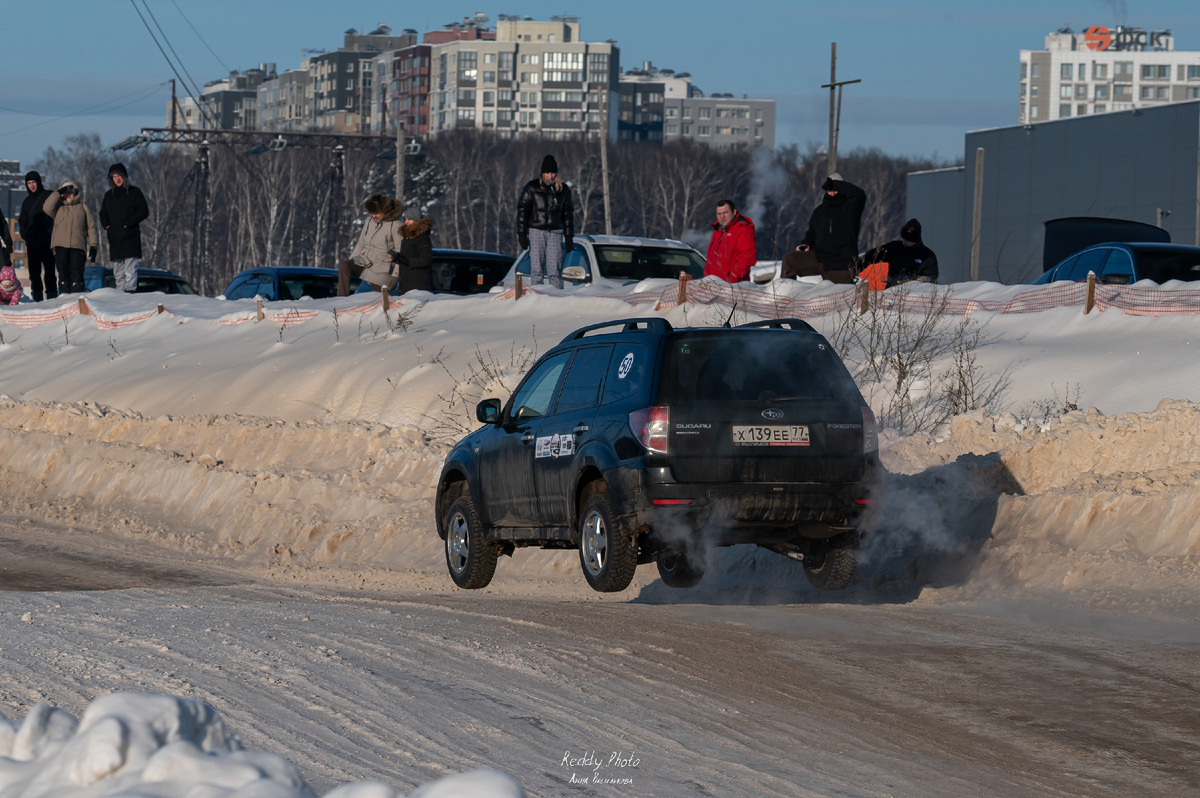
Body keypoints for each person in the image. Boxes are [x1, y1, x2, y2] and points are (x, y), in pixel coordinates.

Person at [781, 172, 867, 284]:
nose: (832, 193)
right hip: (818, 257)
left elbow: (860, 195)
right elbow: (812, 233)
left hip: (840, 262)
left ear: (841, 188)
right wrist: (806, 243)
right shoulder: (819, 211)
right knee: (790, 260)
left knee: (839, 297)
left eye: (835, 189)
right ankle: (786, 292)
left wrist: (837, 184)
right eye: (829, 189)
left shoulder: (851, 208)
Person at [517, 154, 574, 289]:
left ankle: (556, 299)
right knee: (537, 271)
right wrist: (521, 233)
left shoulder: (563, 190)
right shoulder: (531, 187)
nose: (550, 176)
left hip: (555, 232)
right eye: (548, 173)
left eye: (553, 173)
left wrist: (569, 235)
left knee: (555, 271)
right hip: (536, 231)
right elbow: (522, 210)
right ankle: (538, 299)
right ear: (543, 173)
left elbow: (568, 214)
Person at [337, 193, 404, 296]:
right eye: (371, 213)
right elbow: (361, 243)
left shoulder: (395, 225)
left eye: (376, 213)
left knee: (376, 301)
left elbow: (400, 252)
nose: (373, 216)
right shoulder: (369, 222)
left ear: (384, 210)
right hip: (365, 262)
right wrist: (352, 260)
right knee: (344, 266)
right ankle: (340, 301)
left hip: (381, 269)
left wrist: (395, 276)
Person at [99, 163, 150, 293]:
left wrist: (129, 223)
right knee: (118, 271)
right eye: (114, 177)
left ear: (124, 176)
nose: (117, 179)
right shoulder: (109, 195)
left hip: (130, 237)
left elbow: (143, 211)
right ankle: (119, 294)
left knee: (130, 269)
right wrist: (107, 226)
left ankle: (130, 293)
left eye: (119, 176)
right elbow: (102, 213)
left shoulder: (134, 192)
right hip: (115, 238)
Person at [43, 179, 98, 295]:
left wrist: (93, 245)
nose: (68, 195)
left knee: (76, 276)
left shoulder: (83, 207)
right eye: (65, 193)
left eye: (70, 192)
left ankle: (77, 302)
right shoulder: (58, 208)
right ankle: (64, 300)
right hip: (60, 246)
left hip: (78, 247)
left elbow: (91, 227)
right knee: (63, 276)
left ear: (75, 193)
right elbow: (46, 207)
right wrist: (58, 193)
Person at [18, 171, 56, 301]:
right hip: (32, 243)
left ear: (38, 182)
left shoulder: (48, 196)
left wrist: (51, 232)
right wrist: (25, 234)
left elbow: (55, 215)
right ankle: (37, 298)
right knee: (34, 273)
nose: (32, 185)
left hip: (47, 241)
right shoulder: (27, 201)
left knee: (50, 271)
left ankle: (52, 296)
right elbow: (22, 220)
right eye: (29, 183)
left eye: (33, 182)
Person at [868, 218, 939, 286]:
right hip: (892, 290)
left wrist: (925, 279)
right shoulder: (894, 248)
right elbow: (873, 255)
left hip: (916, 292)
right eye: (903, 238)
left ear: (916, 240)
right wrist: (859, 265)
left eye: (908, 240)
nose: (904, 242)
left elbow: (933, 277)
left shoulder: (928, 256)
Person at [704, 199, 757, 283]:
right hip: (712, 286)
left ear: (734, 212)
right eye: (719, 214)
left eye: (725, 212)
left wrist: (731, 279)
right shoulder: (717, 232)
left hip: (732, 287)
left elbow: (747, 258)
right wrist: (705, 281)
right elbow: (710, 261)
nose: (722, 216)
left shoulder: (743, 230)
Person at [388, 205, 433, 294]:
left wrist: (407, 261)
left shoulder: (422, 237)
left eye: (409, 219)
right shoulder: (407, 236)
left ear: (416, 221)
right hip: (405, 284)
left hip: (417, 286)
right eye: (405, 219)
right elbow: (407, 256)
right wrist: (398, 258)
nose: (406, 222)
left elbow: (426, 259)